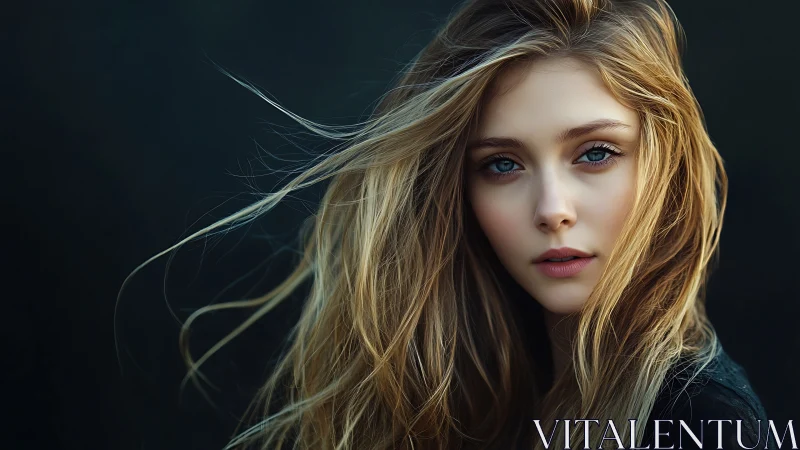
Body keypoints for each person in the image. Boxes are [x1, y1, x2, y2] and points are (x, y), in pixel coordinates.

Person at [120, 0, 773, 448]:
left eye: (595, 153)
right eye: (502, 165)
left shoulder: (700, 419)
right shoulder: (494, 387)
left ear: (664, 163)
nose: (552, 209)